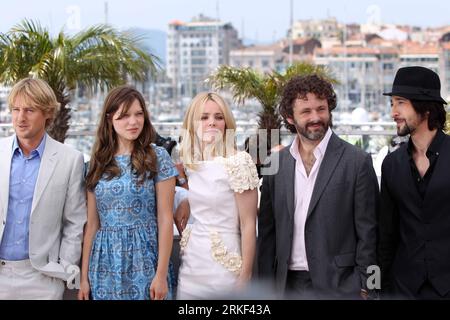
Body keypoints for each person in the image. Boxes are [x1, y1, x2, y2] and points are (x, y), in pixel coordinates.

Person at [258, 75, 379, 299]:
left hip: (340, 288)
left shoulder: (357, 161)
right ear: (290, 118)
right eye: (306, 111)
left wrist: (370, 288)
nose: (316, 117)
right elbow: (267, 233)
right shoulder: (275, 165)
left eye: (321, 109)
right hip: (286, 287)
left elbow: (370, 233)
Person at [78, 86, 177, 300]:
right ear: (109, 119)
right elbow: (92, 224)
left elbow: (165, 218)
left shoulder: (157, 157)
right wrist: (84, 278)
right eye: (124, 116)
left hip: (146, 258)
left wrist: (160, 275)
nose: (133, 122)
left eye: (138, 114)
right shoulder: (96, 164)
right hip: (104, 263)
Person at [0, 78, 86, 299]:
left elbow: (74, 221)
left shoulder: (70, 159)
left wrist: (64, 267)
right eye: (16, 109)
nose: (20, 117)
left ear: (47, 112)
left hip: (42, 278)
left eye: (29, 110)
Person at [176, 92, 259, 299]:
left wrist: (245, 276)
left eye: (218, 117)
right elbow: (209, 195)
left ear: (226, 123)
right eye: (204, 117)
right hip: (192, 266)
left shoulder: (239, 162)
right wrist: (186, 201)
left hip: (225, 268)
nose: (212, 123)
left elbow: (248, 224)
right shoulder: (192, 161)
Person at [378, 66, 450, 299]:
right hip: (403, 289)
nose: (393, 112)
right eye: (392, 104)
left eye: (400, 103)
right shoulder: (391, 164)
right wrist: (379, 287)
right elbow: (385, 236)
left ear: (426, 108)